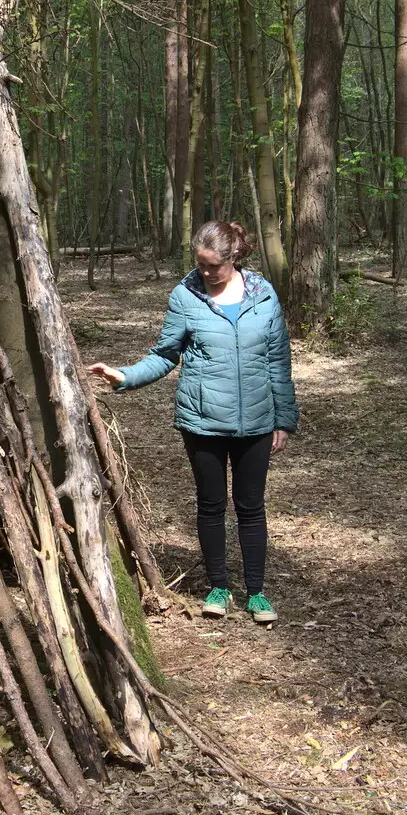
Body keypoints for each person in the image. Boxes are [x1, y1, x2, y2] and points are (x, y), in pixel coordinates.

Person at [88, 220, 298, 625]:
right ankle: (218, 585)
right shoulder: (185, 296)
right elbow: (166, 354)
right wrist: (126, 375)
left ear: (233, 257)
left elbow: (278, 362)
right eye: (200, 265)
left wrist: (283, 420)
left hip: (257, 420)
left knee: (251, 507)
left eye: (212, 266)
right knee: (211, 504)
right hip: (202, 422)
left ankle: (256, 592)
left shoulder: (264, 295)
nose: (205, 273)